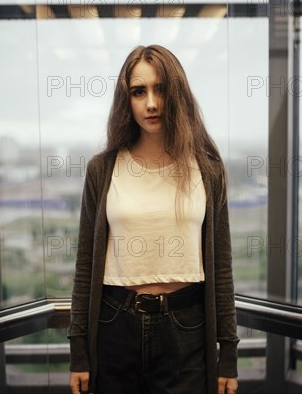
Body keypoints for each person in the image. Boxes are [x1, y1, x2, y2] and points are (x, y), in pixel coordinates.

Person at [68, 44, 239, 394]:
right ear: (126, 100)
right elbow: (85, 265)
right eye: (138, 91)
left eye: (160, 89)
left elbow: (222, 268)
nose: (151, 103)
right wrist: (79, 352)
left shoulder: (208, 171)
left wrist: (229, 354)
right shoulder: (102, 170)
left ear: (177, 93)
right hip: (115, 325)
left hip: (186, 329)